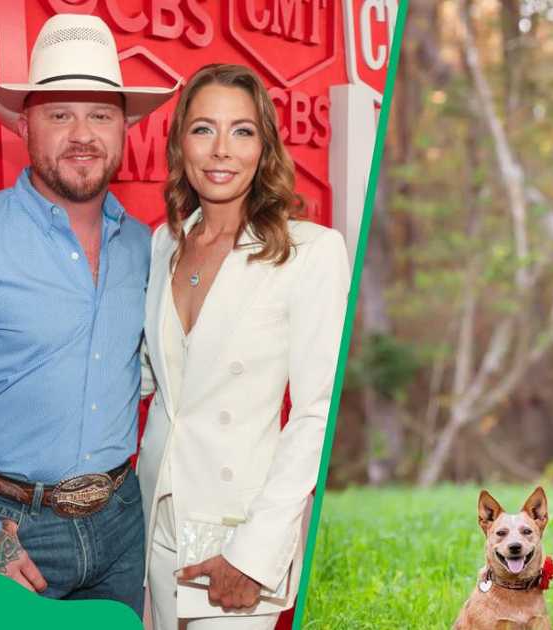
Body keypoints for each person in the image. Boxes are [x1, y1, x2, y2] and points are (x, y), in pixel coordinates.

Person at [138, 64, 350, 629]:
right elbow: (158, 380)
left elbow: (316, 412)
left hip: (237, 528)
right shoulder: (166, 241)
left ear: (265, 146)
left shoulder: (311, 251)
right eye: (204, 129)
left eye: (243, 131)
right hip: (155, 522)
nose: (221, 150)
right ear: (180, 143)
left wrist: (253, 556)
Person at [0, 14, 177, 613]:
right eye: (59, 114)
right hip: (10, 530)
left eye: (99, 114)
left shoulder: (145, 246)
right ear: (23, 124)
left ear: (125, 127)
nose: (82, 133)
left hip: (122, 525)